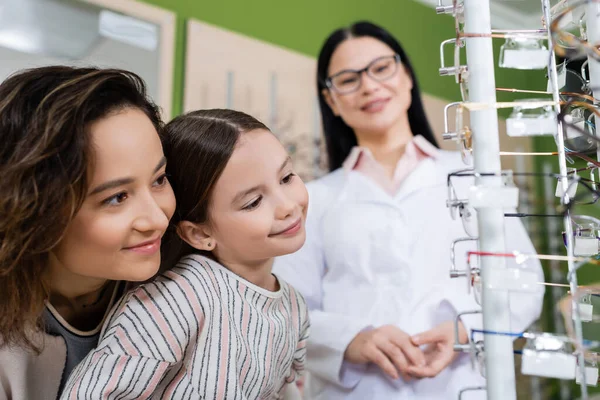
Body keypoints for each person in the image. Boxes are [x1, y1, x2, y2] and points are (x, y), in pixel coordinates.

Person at [273, 21, 545, 399]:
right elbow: (286, 309)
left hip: (462, 383)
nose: (369, 85)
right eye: (348, 79)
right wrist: (351, 339)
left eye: (381, 68)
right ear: (331, 100)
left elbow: (524, 283)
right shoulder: (311, 198)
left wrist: (465, 330)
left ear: (406, 76)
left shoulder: (474, 176)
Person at [61, 109, 310, 399]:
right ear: (200, 234)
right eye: (253, 202)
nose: (287, 206)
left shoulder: (293, 305)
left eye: (287, 177)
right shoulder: (176, 299)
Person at [0, 66, 176, 400]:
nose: (156, 219)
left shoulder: (187, 282)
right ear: (32, 209)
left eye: (159, 179)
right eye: (116, 198)